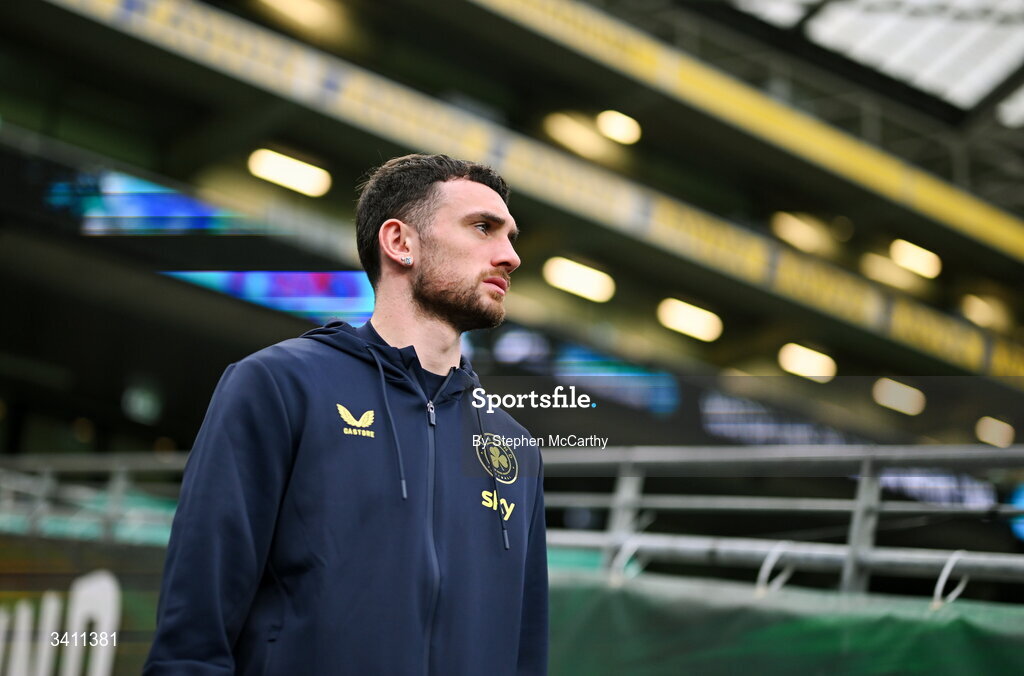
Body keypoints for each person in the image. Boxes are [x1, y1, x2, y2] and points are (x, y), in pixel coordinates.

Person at [143, 154, 547, 675]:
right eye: (483, 228)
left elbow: (526, 650)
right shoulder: (281, 385)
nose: (510, 256)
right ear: (400, 242)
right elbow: (195, 628)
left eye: (510, 236)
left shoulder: (513, 447)